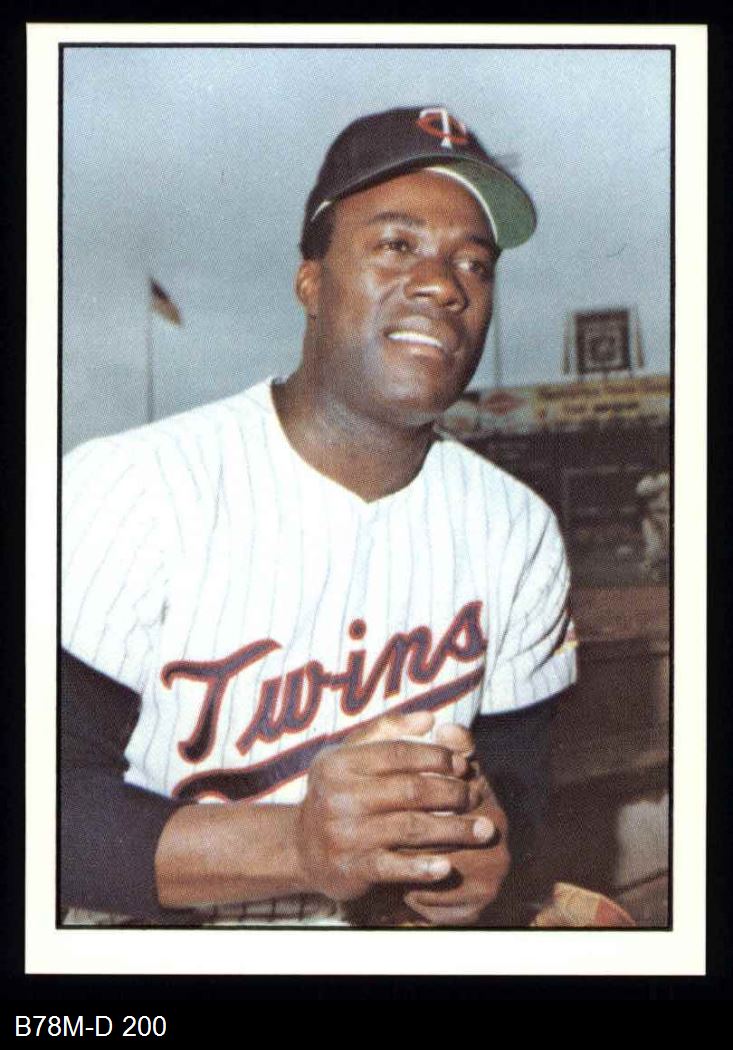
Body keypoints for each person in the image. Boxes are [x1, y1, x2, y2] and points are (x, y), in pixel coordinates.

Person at [61, 105, 577, 927]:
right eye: (396, 244)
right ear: (310, 283)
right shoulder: (128, 487)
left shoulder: (517, 530)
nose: (444, 284)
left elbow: (517, 790)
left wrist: (488, 849)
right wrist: (296, 845)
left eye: (473, 264)